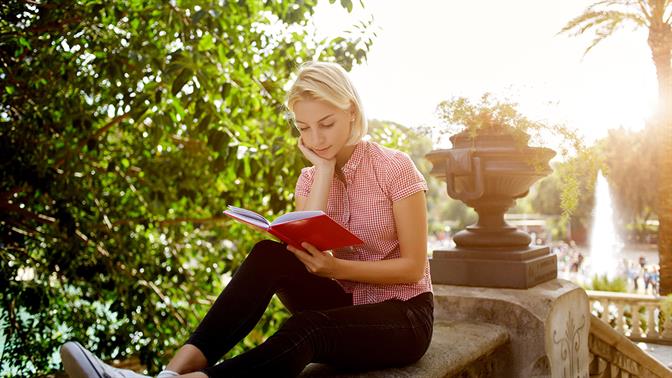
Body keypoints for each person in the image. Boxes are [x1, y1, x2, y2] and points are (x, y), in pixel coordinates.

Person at [60, 61, 434, 378]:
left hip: (403, 317)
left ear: (351, 110)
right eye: (304, 128)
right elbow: (306, 249)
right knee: (268, 254)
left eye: (326, 123)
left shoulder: (394, 167)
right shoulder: (309, 177)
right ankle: (170, 373)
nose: (316, 138)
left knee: (307, 329)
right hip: (343, 304)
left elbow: (413, 268)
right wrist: (322, 169)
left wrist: (336, 268)